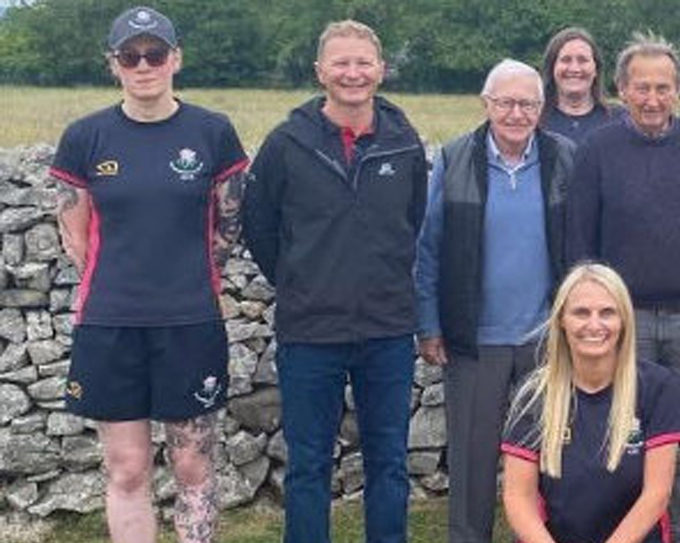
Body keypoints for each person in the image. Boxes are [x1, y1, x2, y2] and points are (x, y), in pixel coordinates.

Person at [52, 7, 247, 543]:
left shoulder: (213, 132)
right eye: (130, 56)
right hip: (110, 324)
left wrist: (189, 281)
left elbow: (227, 225)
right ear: (113, 64)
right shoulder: (84, 137)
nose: (143, 66)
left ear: (175, 59)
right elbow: (76, 237)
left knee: (192, 467)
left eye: (154, 54)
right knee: (128, 470)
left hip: (190, 322)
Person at [242, 20, 427, 543]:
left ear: (381, 70)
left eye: (363, 62)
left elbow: (412, 222)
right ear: (320, 71)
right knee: (308, 465)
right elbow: (260, 227)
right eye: (341, 63)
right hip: (310, 331)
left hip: (387, 329)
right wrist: (300, 281)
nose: (353, 73)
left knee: (388, 462)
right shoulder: (286, 143)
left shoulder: (403, 143)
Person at [565, 31, 680, 543]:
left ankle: (679, 533)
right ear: (621, 89)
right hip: (622, 324)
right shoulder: (597, 149)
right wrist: (598, 316)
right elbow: (580, 241)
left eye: (663, 87)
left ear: (678, 90)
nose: (652, 98)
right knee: (622, 438)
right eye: (641, 87)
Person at [414, 58, 576, 543]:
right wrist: (429, 324)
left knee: (551, 456)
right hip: (475, 338)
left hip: (547, 338)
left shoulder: (565, 158)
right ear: (486, 104)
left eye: (527, 104)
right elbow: (429, 248)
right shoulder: (454, 158)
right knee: (472, 459)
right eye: (505, 103)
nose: (516, 114)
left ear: (541, 108)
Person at [501, 263, 680, 543]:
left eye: (607, 312)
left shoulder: (658, 387)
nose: (594, 324)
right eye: (581, 313)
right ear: (561, 320)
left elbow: (656, 494)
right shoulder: (533, 395)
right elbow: (518, 497)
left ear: (624, 320)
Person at [540, 27, 623, 143]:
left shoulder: (621, 119)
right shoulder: (535, 120)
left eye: (583, 60)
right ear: (552, 68)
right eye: (566, 60)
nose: (575, 69)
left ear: (596, 69)